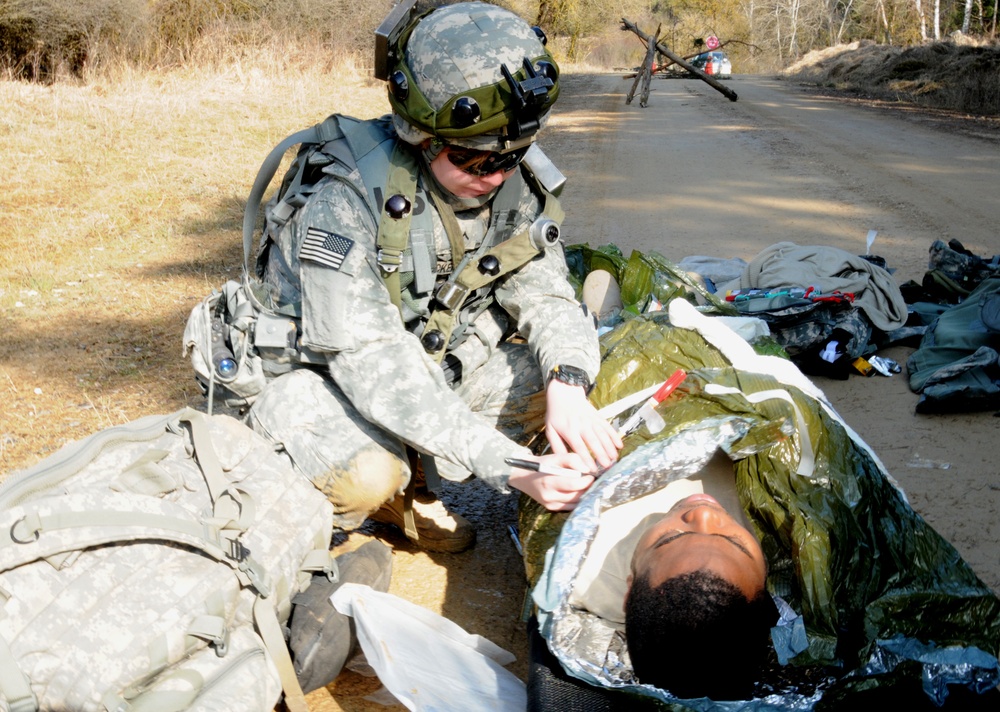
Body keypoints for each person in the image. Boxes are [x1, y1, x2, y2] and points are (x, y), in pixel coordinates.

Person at [246, 1, 622, 554]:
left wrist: (568, 380)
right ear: (421, 135)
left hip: (423, 363)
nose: (496, 175)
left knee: (567, 395)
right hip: (321, 379)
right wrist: (512, 466)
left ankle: (417, 482)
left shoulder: (507, 179)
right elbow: (370, 362)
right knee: (365, 477)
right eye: (474, 161)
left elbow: (546, 295)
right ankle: (321, 518)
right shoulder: (343, 199)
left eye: (514, 157)